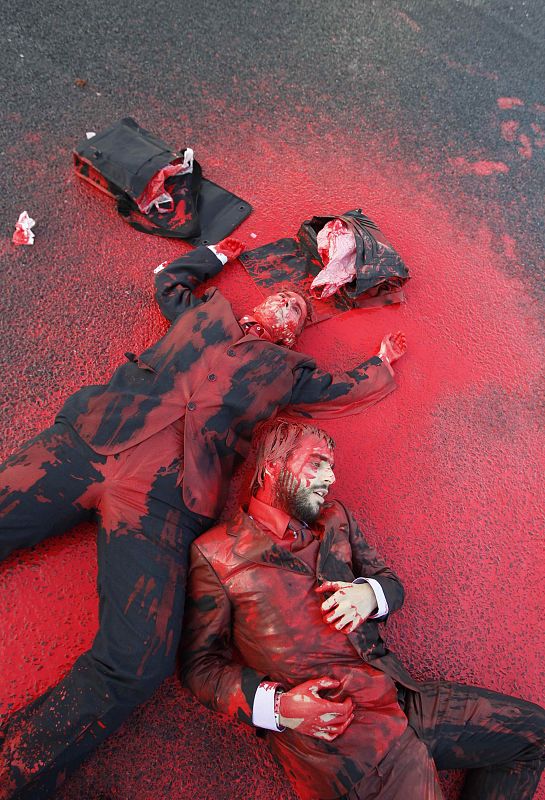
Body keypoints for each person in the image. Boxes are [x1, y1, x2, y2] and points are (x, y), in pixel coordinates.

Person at [0, 239, 406, 799]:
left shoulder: (289, 370)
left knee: (140, 659)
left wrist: (380, 366)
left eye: (298, 310)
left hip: (166, 496)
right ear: (257, 305)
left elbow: (341, 391)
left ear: (293, 335)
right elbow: (168, 279)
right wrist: (216, 251)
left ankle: (16, 765)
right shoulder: (204, 309)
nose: (289, 303)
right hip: (93, 439)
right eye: (283, 297)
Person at [182, 419, 545, 800]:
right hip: (345, 745)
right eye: (317, 463)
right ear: (273, 466)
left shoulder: (335, 518)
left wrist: (368, 595)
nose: (330, 477)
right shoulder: (216, 554)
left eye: (332, 467)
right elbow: (200, 666)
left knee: (532, 736)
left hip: (404, 697)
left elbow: (390, 582)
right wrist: (279, 706)